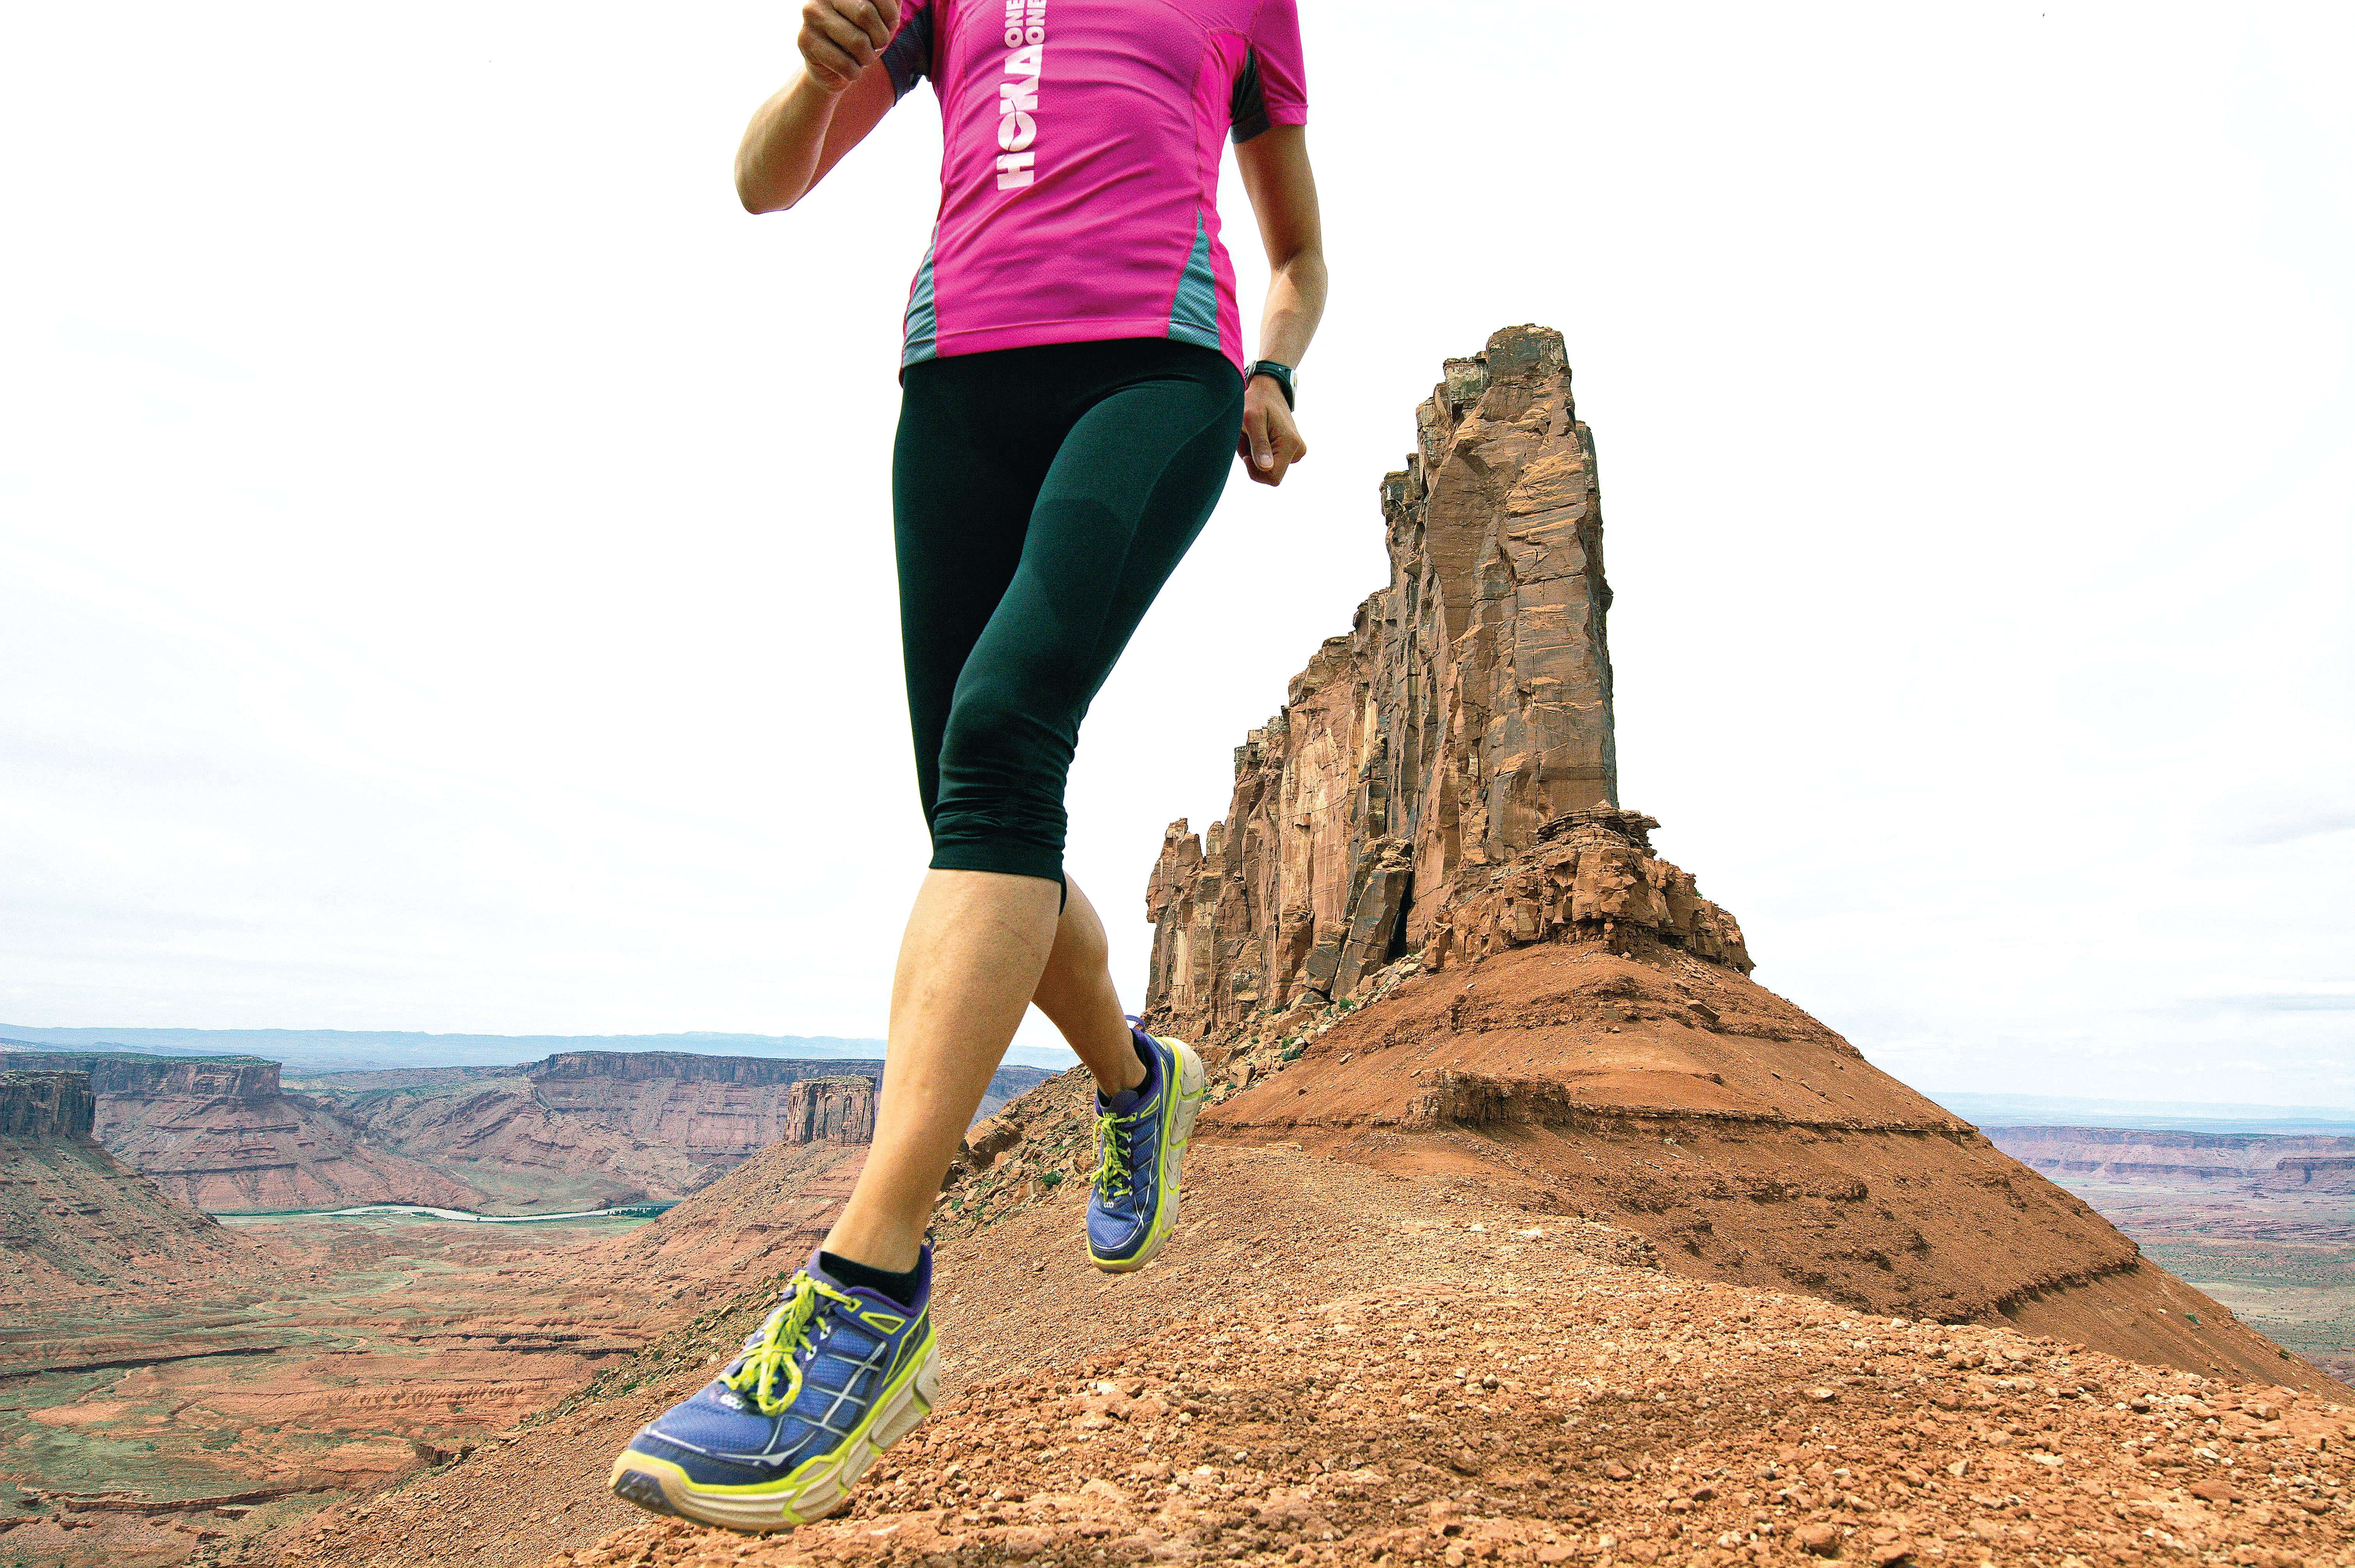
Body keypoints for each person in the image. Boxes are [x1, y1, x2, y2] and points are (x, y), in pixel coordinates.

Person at [606, 0, 1325, 1533]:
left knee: (1002, 745)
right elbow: (761, 181)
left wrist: (1273, 371)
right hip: (957, 386)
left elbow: (1300, 250)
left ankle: (869, 1292)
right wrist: (812, 69)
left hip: (1157, 369)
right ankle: (1141, 1084)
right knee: (975, 815)